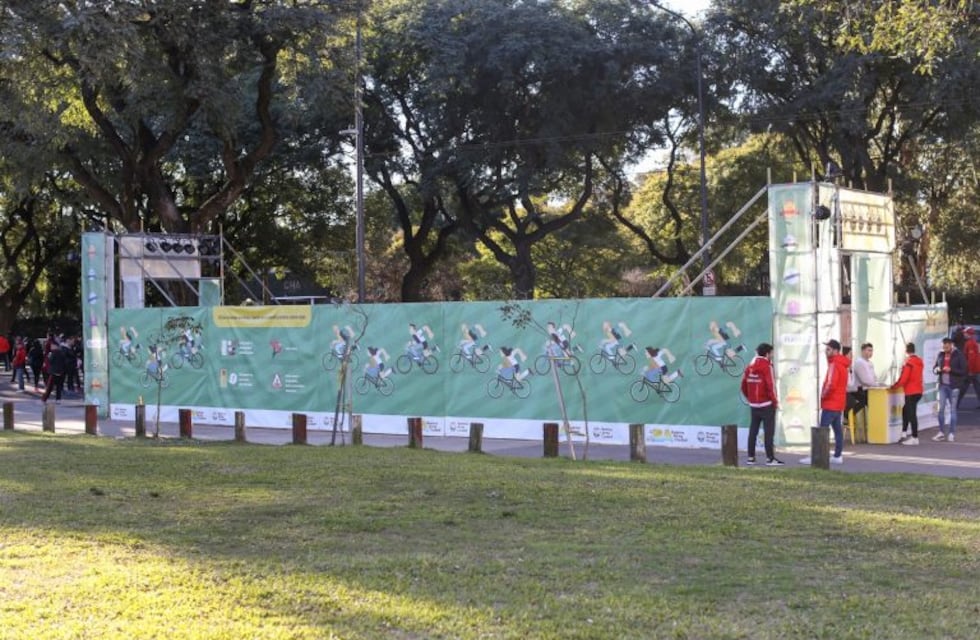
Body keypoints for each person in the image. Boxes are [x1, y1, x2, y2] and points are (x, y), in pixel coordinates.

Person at [801, 339, 849, 465]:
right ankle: (837, 455)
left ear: (835, 350)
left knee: (822, 432)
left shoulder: (834, 364)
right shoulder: (842, 364)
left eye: (828, 349)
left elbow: (831, 384)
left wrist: (823, 395)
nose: (825, 351)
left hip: (830, 403)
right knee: (837, 431)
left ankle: (817, 457)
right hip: (838, 403)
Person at [741, 342, 782, 465]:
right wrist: (775, 402)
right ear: (767, 354)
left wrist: (751, 398)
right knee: (769, 432)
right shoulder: (767, 366)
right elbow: (771, 386)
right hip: (767, 404)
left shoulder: (749, 366)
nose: (772, 355)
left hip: (754, 405)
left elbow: (743, 385)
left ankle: (750, 458)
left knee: (753, 430)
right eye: (772, 353)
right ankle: (770, 458)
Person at [932, 337, 967, 442]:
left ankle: (951, 433)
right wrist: (937, 370)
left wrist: (951, 370)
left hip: (954, 387)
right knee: (940, 410)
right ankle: (941, 432)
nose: (945, 348)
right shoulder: (940, 354)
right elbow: (935, 368)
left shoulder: (958, 355)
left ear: (951, 345)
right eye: (944, 347)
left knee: (953, 411)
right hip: (943, 386)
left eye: (947, 347)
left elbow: (963, 371)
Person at [890, 342, 924, 445]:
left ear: (906, 351)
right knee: (906, 410)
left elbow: (904, 378)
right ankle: (904, 433)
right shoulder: (919, 361)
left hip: (910, 391)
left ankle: (914, 437)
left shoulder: (908, 362)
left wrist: (895, 386)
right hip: (918, 390)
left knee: (911, 414)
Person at [957, 327, 980, 408]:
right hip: (976, 369)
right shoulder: (974, 342)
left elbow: (971, 358)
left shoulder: (970, 343)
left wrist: (970, 371)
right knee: (977, 387)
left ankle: (956, 404)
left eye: (965, 333)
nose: (964, 334)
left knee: (963, 387)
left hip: (971, 370)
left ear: (969, 334)